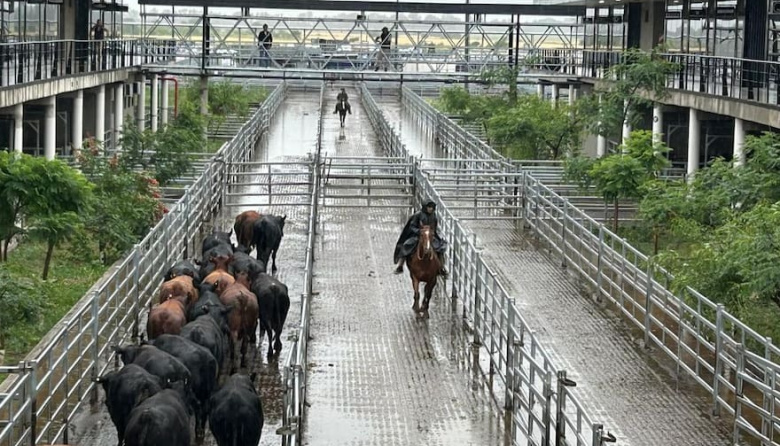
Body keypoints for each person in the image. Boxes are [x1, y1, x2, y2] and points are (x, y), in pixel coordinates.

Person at [393, 200, 448, 276]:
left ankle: (441, 267)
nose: (431, 209)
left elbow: (435, 227)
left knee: (440, 247)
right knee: (406, 245)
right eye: (429, 207)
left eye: (432, 207)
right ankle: (400, 265)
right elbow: (412, 226)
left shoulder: (433, 216)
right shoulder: (418, 215)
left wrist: (432, 233)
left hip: (429, 236)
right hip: (417, 236)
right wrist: (419, 231)